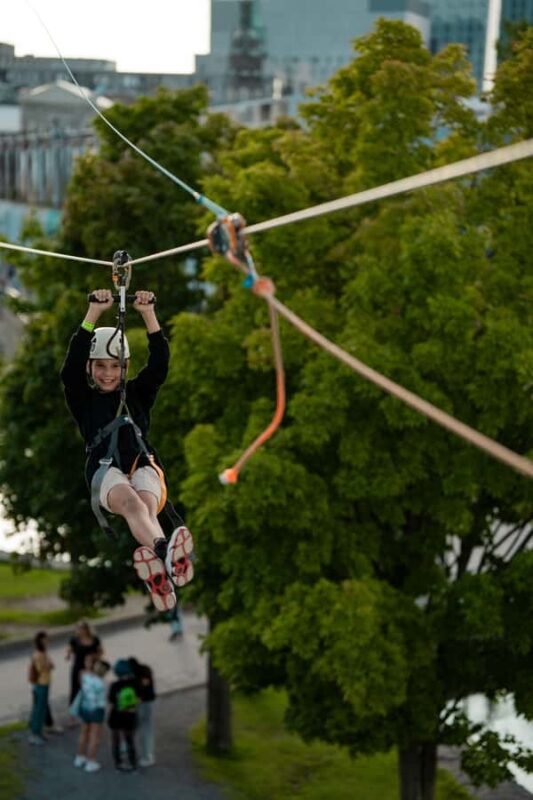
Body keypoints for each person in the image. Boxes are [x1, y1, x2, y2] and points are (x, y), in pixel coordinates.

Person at [60, 289, 194, 611]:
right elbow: (70, 368)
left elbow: (160, 364)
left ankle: (162, 577)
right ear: (91, 368)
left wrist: (148, 315)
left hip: (143, 463)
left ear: (126, 366)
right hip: (105, 471)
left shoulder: (138, 393)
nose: (108, 373)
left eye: (115, 366)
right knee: (134, 505)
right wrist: (93, 312)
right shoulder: (84, 400)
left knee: (147, 508)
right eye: (101, 366)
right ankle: (164, 551)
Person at [73, 656, 110, 773]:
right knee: (94, 736)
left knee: (83, 733)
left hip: (85, 707)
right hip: (96, 710)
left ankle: (79, 757)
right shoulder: (102, 683)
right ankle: (91, 761)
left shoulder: (85, 676)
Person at [65, 621, 103, 722]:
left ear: (87, 629)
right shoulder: (75, 639)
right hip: (78, 668)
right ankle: (71, 717)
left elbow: (100, 652)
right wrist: (68, 654)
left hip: (91, 668)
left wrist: (95, 657)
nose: (81, 631)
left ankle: (88, 713)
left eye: (83, 628)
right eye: (79, 629)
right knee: (75, 690)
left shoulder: (95, 640)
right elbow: (69, 648)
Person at [108, 659, 139, 771]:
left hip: (116, 715)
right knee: (129, 739)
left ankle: (118, 763)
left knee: (115, 740)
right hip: (129, 715)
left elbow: (111, 701)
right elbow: (138, 698)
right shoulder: (135, 683)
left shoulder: (114, 685)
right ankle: (133, 763)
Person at [129, 657, 156, 767]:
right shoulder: (146, 669)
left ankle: (147, 755)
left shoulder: (136, 675)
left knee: (141, 727)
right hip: (149, 700)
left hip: (143, 702)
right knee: (146, 728)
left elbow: (142, 687)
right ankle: (147, 755)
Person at [28, 631, 54, 745]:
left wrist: (49, 664)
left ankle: (40, 731)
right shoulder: (38, 654)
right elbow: (42, 668)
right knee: (38, 710)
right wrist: (48, 664)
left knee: (42, 709)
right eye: (46, 639)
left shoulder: (44, 653)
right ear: (41, 640)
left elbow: (51, 665)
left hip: (45, 682)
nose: (48, 641)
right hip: (40, 684)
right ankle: (34, 734)